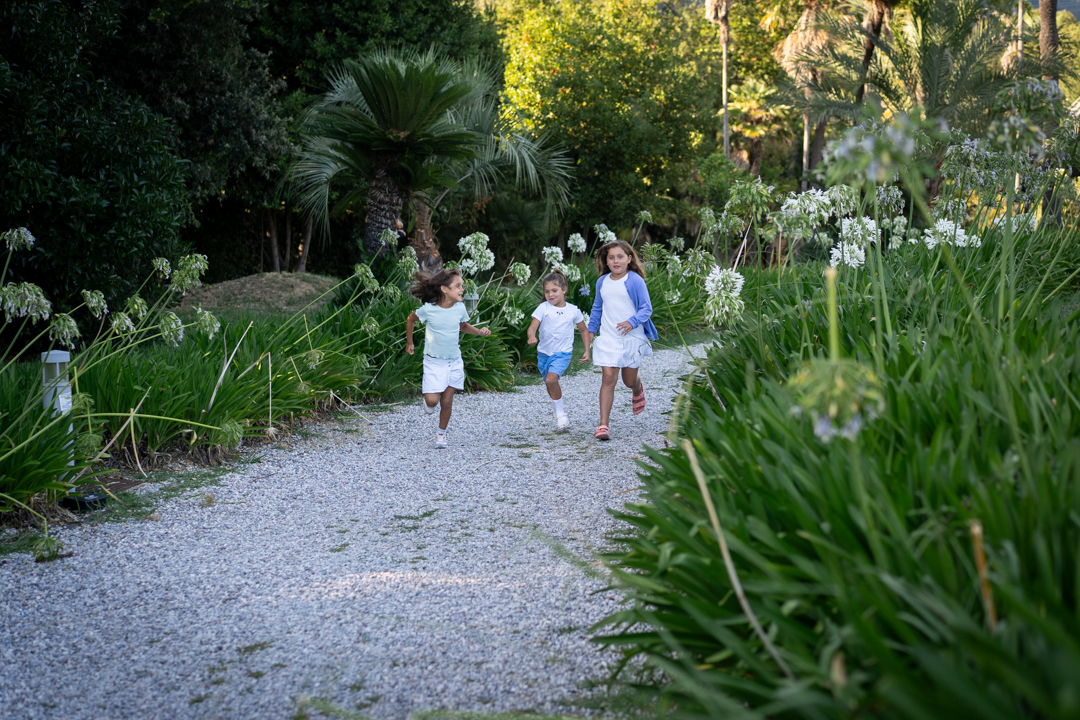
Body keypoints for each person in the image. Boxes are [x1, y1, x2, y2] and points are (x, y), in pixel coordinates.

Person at [405, 268, 491, 448]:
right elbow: (410, 319)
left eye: (462, 286)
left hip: (454, 361)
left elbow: (463, 326)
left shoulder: (459, 308)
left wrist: (478, 332)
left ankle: (441, 434)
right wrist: (409, 343)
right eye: (458, 286)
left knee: (447, 400)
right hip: (434, 362)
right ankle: (429, 403)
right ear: (444, 289)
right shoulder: (428, 310)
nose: (462, 289)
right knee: (432, 401)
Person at [585, 239, 657, 440]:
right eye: (611, 258)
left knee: (628, 380)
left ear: (629, 259)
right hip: (609, 337)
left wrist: (632, 322)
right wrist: (591, 330)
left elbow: (646, 308)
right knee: (608, 378)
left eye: (620, 257)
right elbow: (597, 308)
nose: (616, 261)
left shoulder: (635, 280)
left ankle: (637, 387)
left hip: (632, 338)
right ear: (606, 261)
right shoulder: (602, 282)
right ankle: (603, 425)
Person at [526, 271, 591, 430]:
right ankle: (557, 407)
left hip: (562, 353)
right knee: (549, 383)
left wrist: (587, 350)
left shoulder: (573, 310)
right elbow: (532, 327)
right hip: (544, 353)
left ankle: (561, 414)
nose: (550, 294)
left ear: (564, 289)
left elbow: (583, 330)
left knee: (551, 380)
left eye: (554, 290)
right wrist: (531, 336)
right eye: (547, 291)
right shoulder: (543, 308)